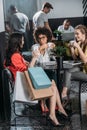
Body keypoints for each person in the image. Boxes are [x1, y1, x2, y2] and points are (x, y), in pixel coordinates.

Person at [4, 32, 68, 127]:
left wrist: (27, 61)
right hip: (25, 87)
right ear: (17, 42)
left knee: (52, 83)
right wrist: (34, 58)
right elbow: (29, 70)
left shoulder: (15, 55)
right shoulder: (15, 56)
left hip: (25, 82)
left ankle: (58, 110)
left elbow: (25, 68)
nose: (23, 41)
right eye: (22, 40)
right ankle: (53, 114)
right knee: (52, 86)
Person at [61, 24, 87, 101]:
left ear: (84, 34)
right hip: (83, 70)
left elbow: (85, 60)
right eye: (75, 34)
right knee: (67, 72)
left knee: (68, 75)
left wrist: (78, 47)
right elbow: (75, 58)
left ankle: (64, 95)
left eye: (77, 34)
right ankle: (66, 96)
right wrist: (72, 48)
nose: (75, 36)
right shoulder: (80, 43)